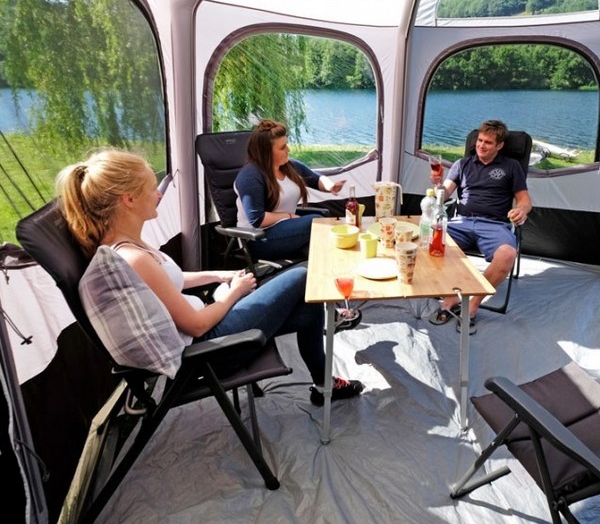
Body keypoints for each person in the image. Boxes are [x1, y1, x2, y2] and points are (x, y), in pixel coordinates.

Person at [55, 148, 364, 406]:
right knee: (302, 276)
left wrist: (218, 275)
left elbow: (171, 282)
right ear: (129, 200)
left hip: (210, 331)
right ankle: (336, 322)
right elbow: (196, 325)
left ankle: (324, 386)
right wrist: (235, 292)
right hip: (211, 349)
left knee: (308, 307)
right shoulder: (133, 259)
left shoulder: (128, 245)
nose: (158, 194)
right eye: (150, 188)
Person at [428, 119, 532, 334]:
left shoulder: (511, 166)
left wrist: (522, 210)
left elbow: (524, 200)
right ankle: (451, 297)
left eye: (488, 142)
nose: (481, 145)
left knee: (507, 254)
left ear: (500, 146)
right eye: (480, 140)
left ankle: (472, 304)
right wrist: (437, 184)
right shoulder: (462, 164)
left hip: (494, 225)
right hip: (461, 222)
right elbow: (444, 195)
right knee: (430, 241)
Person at [234, 119, 345, 261]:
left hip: (285, 229)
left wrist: (330, 186)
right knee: (316, 223)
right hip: (258, 239)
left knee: (321, 235)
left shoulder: (289, 166)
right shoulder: (250, 176)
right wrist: (289, 216)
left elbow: (316, 179)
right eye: (282, 147)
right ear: (266, 152)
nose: (288, 150)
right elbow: (257, 219)